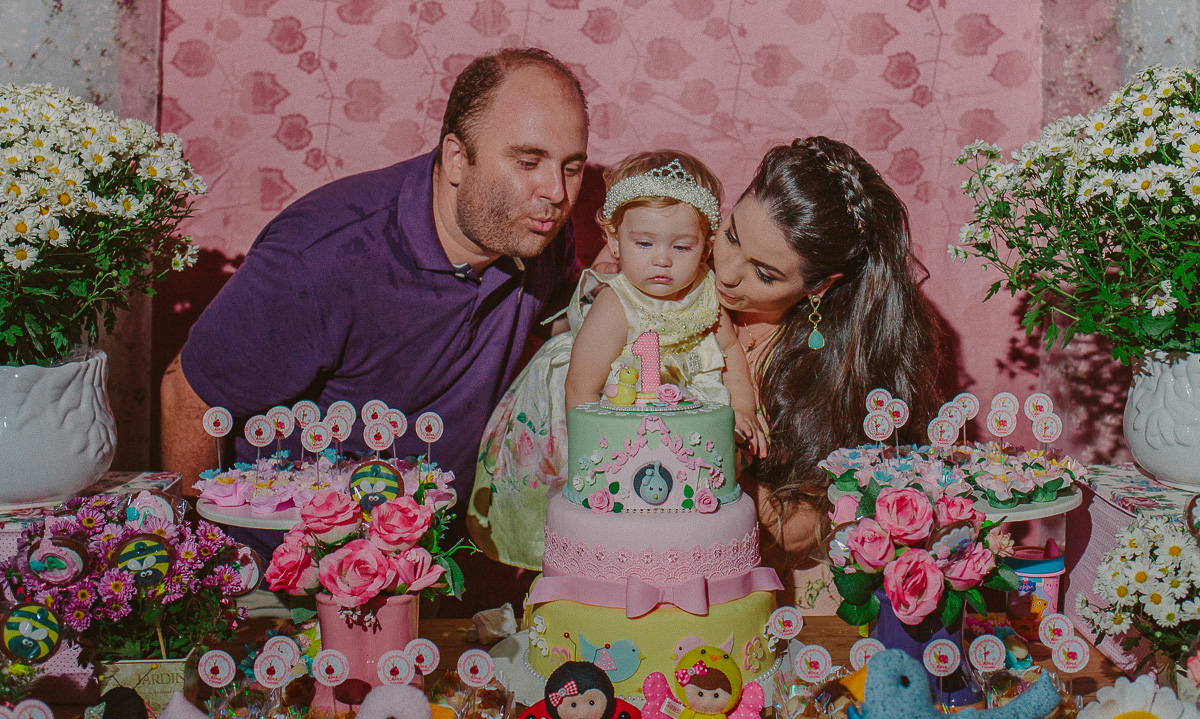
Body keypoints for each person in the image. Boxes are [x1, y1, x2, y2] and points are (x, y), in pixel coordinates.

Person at [160, 48, 589, 565]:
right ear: (457, 158)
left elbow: (559, 326)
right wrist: (207, 574)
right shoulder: (323, 256)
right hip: (290, 580)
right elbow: (188, 395)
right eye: (528, 162)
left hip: (437, 566)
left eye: (572, 167)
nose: (556, 192)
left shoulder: (535, 234)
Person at [469, 150, 762, 570]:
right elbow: (581, 387)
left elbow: (731, 350)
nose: (662, 259)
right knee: (616, 519)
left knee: (692, 518)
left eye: (682, 246)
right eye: (644, 244)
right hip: (618, 412)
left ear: (706, 246)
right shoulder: (616, 305)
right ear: (614, 240)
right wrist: (588, 459)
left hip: (689, 411)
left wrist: (742, 407)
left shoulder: (707, 293)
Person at [711, 136, 943, 593]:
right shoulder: (677, 277)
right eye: (731, 234)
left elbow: (795, 530)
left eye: (765, 273)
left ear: (819, 286)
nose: (728, 271)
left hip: (768, 595)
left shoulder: (835, 372)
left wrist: (706, 451)